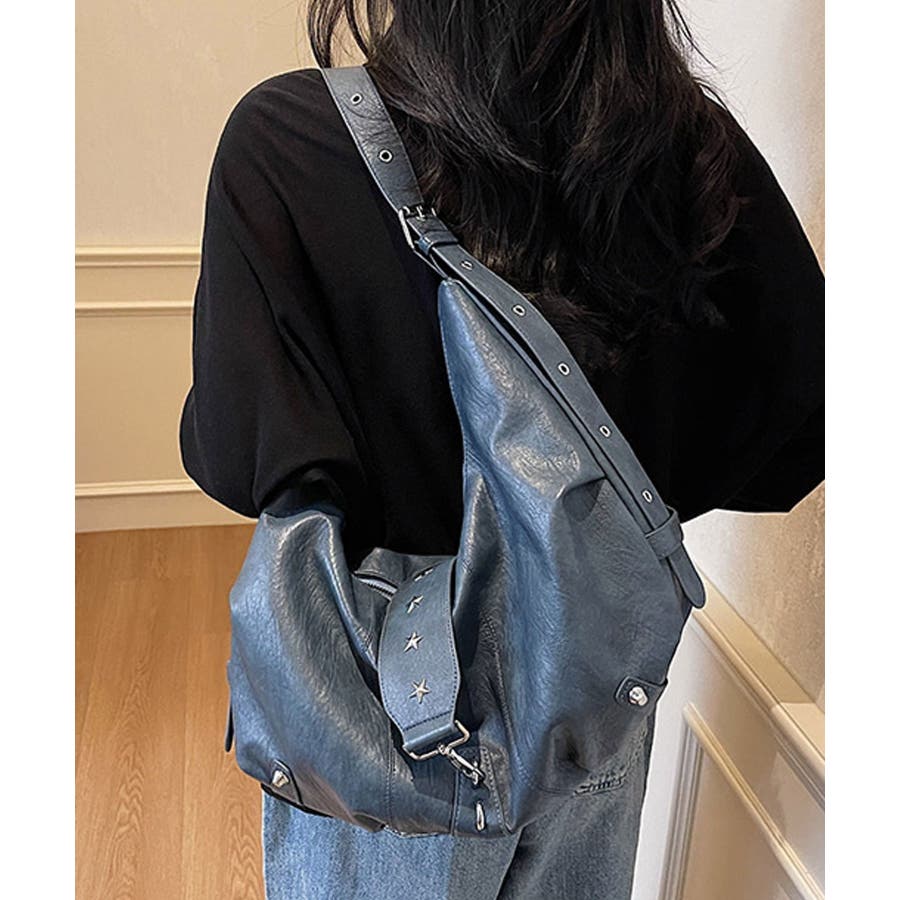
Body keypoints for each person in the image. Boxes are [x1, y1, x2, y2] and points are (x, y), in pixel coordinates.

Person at [178, 2, 824, 897]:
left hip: (381, 715)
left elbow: (235, 456)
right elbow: (797, 427)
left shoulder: (286, 142)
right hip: (590, 689)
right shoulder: (687, 151)